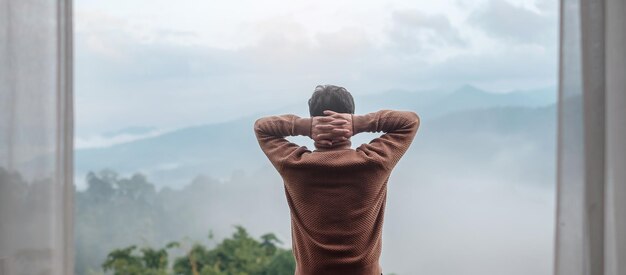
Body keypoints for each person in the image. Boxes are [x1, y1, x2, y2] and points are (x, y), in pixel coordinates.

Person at [253, 84, 420, 275]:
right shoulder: (373, 163)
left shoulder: (295, 165)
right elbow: (410, 121)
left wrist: (304, 126)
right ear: (349, 115)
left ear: (313, 118)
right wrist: (359, 123)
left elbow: (261, 127)